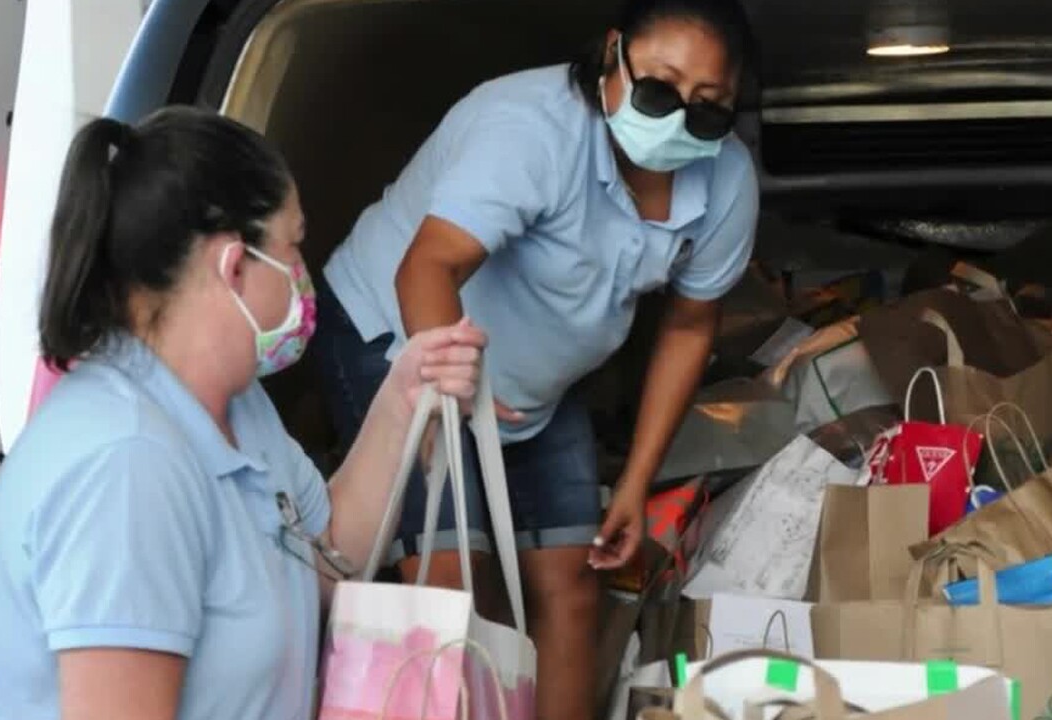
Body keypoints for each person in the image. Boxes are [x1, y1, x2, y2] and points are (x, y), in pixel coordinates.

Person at [0, 106, 487, 719]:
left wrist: (403, 398)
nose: (305, 277)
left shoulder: (235, 407)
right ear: (235, 265)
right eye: (295, 246)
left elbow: (326, 556)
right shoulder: (128, 465)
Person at [313, 0, 758, 716]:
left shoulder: (726, 180)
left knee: (573, 590)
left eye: (708, 110)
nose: (678, 119)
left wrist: (636, 483)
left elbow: (688, 324)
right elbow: (425, 268)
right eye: (659, 89)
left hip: (537, 387)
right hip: (399, 337)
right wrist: (457, 393)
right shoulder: (530, 128)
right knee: (454, 589)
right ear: (613, 54)